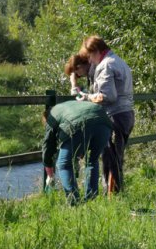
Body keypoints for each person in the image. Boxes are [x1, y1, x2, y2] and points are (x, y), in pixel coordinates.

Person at [77, 36, 134, 194]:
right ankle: (115, 194)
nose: (90, 60)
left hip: (115, 116)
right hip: (126, 114)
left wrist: (87, 97)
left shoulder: (105, 65)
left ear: (96, 51)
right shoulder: (119, 61)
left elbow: (108, 96)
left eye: (90, 55)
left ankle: (113, 196)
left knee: (110, 159)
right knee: (116, 157)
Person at [42, 99, 113, 203]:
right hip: (104, 124)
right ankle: (92, 198)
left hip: (79, 124)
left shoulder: (52, 115)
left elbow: (48, 144)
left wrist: (49, 170)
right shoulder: (68, 106)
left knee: (64, 164)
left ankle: (73, 202)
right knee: (92, 161)